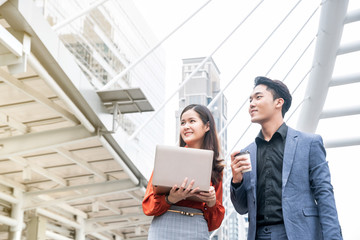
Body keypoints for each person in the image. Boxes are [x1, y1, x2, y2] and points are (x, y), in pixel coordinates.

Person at [230, 76, 342, 240]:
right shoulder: (247, 153)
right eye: (250, 100)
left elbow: (324, 195)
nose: (251, 104)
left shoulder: (309, 143)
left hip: (300, 233)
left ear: (278, 102)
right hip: (259, 235)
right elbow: (242, 208)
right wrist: (237, 181)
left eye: (258, 97)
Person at [142, 104, 225, 239]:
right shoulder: (167, 158)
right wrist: (170, 199)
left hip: (197, 227)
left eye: (192, 121)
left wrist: (211, 202)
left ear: (207, 126)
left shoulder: (215, 168)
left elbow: (214, 223)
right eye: (182, 123)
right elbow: (148, 205)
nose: (186, 126)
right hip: (164, 225)